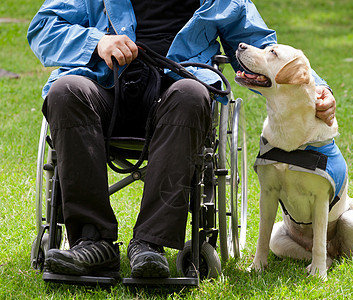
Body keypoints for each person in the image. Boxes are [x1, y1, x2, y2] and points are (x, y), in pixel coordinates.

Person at [27, 0, 336, 279]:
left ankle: (150, 244)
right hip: (106, 88)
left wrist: (317, 90)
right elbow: (43, 27)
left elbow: (264, 48)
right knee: (65, 91)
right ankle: (92, 242)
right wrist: (98, 42)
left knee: (191, 93)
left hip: (176, 94)